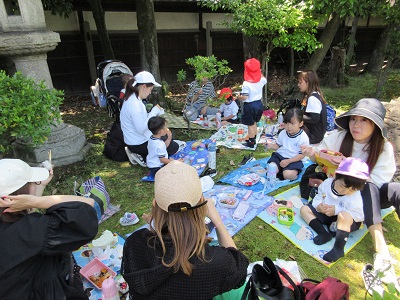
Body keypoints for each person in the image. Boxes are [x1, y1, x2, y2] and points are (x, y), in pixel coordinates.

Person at [301, 98, 400, 283]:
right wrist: (314, 155)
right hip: (338, 189)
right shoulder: (340, 137)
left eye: (364, 120)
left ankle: (381, 249)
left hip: (367, 194)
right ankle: (377, 249)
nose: (356, 125)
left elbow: (377, 182)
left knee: (393, 189)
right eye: (354, 119)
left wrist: (349, 169)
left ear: (375, 125)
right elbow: (320, 155)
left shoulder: (383, 147)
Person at [121, 161, 249, 299]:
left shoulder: (135, 242)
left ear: (155, 204)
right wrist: (217, 221)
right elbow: (239, 269)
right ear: (202, 202)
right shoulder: (215, 261)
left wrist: (157, 220)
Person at [0, 159, 98, 299]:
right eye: (33, 183)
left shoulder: (15, 227)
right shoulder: (32, 232)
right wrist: (36, 201)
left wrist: (40, 187)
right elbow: (87, 207)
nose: (35, 185)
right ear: (20, 195)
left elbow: (24, 213)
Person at [300, 157, 369, 262]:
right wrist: (319, 206)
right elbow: (318, 197)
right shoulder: (327, 183)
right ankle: (323, 233)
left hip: (341, 221)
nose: (345, 191)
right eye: (342, 186)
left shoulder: (355, 196)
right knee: (304, 209)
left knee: (343, 216)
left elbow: (360, 215)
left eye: (352, 189)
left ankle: (338, 248)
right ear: (336, 175)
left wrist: (337, 210)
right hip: (326, 214)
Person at [120, 71, 179, 166]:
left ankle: (144, 154)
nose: (150, 92)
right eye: (150, 89)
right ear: (143, 86)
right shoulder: (134, 104)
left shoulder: (134, 99)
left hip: (137, 139)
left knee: (168, 135)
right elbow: (141, 129)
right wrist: (154, 112)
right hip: (138, 143)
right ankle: (141, 155)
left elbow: (143, 121)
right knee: (173, 147)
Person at [265, 108, 309, 180]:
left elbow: (301, 155)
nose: (289, 126)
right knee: (271, 169)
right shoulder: (283, 133)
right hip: (280, 157)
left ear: (301, 123)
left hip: (294, 159)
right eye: (286, 123)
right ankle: (280, 170)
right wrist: (270, 145)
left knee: (288, 175)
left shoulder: (303, 137)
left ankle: (287, 171)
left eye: (292, 123)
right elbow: (278, 145)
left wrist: (288, 161)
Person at [236, 58, 267, 148]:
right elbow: (264, 78)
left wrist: (239, 96)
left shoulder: (246, 84)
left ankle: (251, 142)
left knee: (250, 124)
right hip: (259, 104)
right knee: (254, 122)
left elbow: (245, 97)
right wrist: (259, 73)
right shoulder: (262, 80)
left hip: (250, 105)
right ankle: (254, 138)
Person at [297, 70, 327, 144]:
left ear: (308, 83)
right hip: (312, 133)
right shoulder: (312, 95)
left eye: (300, 83)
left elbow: (314, 119)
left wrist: (297, 116)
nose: (298, 85)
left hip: (313, 136)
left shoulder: (313, 99)